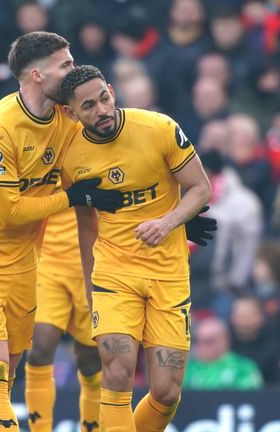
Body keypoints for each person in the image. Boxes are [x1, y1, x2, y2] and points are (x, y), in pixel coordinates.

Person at [0, 32, 123, 432]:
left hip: (24, 264)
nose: (74, 70)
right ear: (37, 75)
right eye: (66, 65)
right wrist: (73, 197)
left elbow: (110, 155)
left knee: (0, 380)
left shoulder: (65, 119)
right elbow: (11, 213)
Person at [59, 65, 213, 432]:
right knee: (117, 370)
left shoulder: (158, 128)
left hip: (168, 273)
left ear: (112, 90)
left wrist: (168, 221)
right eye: (89, 106)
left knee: (167, 391)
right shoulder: (70, 157)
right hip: (114, 272)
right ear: (70, 113)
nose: (101, 111)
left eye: (104, 98)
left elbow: (200, 188)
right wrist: (88, 284)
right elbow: (85, 225)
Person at [24, 209, 101, 432]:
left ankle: (92, 427)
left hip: (90, 262)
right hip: (46, 262)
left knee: (90, 359)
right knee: (40, 348)